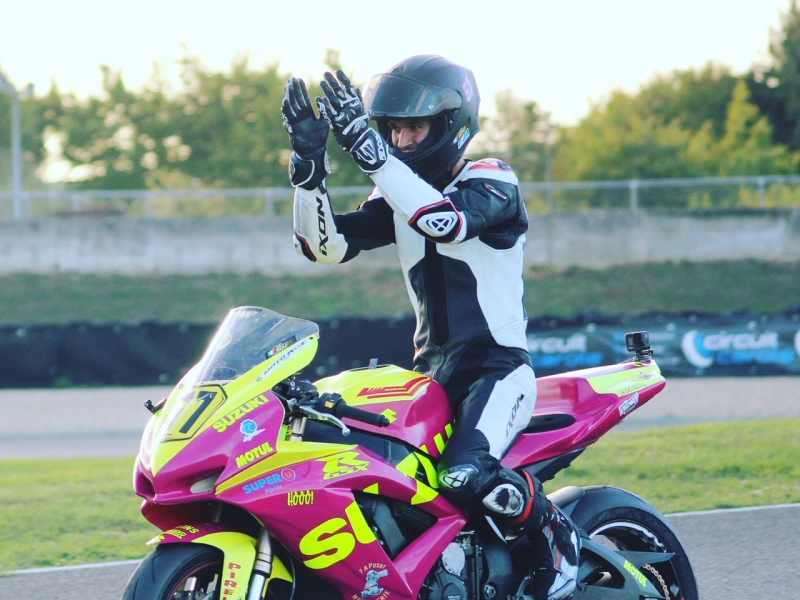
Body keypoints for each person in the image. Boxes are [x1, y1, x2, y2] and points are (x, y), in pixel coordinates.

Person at [281, 54, 579, 600]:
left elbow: (446, 222)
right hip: (430, 377)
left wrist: (370, 153)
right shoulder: (397, 194)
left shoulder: (492, 179)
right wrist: (308, 166)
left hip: (496, 370)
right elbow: (323, 247)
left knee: (464, 474)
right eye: (392, 129)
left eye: (414, 127)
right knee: (377, 472)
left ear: (450, 124)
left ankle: (558, 543)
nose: (402, 139)